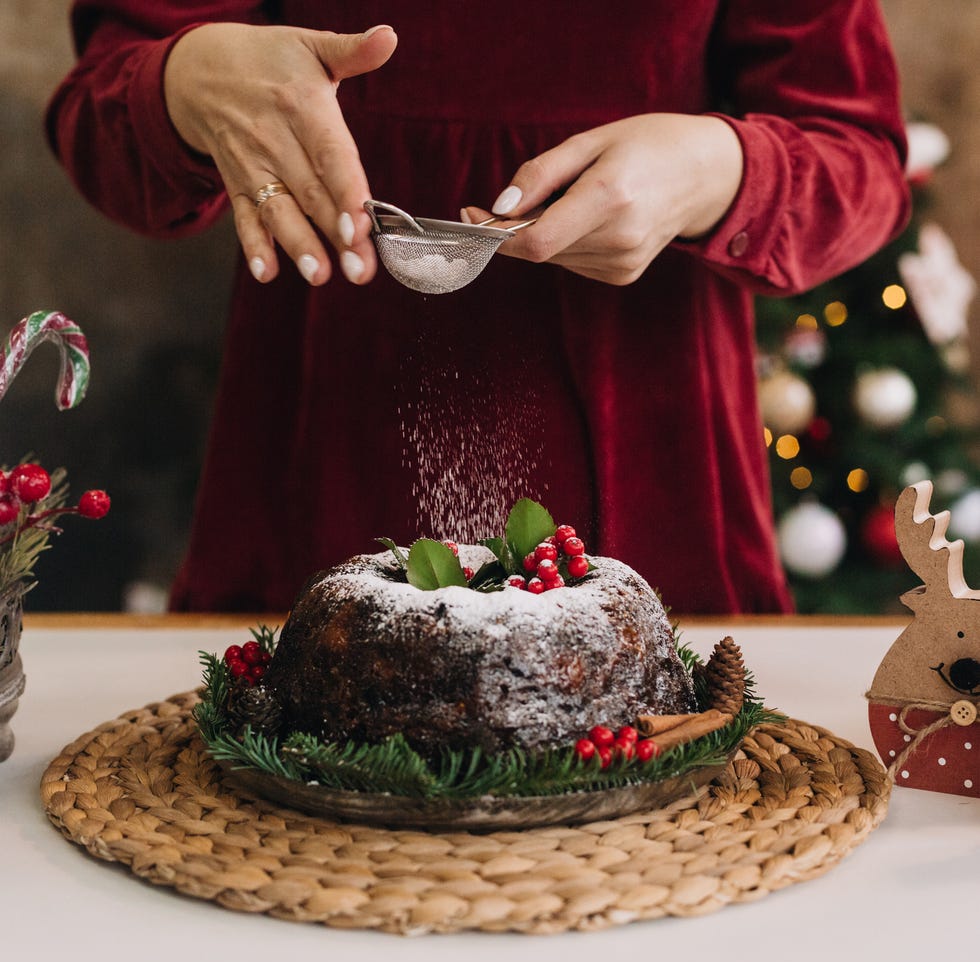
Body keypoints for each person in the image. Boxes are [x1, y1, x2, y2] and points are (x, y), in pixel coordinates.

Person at [46, 2, 910, 614]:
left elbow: (861, 160)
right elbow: (99, 111)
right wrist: (182, 80)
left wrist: (724, 166)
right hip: (319, 469)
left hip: (659, 483)